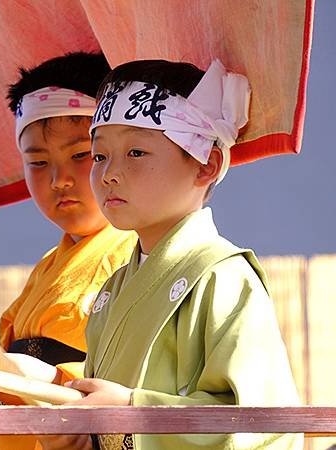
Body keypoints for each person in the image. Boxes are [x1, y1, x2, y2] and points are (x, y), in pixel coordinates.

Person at [40, 59, 302, 450]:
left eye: (136, 153)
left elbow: (261, 424)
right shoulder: (114, 288)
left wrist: (133, 411)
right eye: (99, 156)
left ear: (205, 165)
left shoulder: (222, 277)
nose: (109, 173)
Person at [0, 52, 137, 450]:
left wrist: (40, 377)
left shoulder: (135, 258)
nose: (59, 180)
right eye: (39, 162)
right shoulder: (47, 267)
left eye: (80, 155)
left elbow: (133, 385)